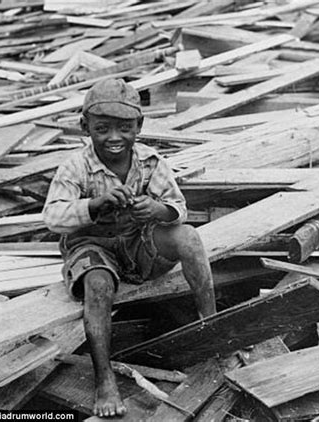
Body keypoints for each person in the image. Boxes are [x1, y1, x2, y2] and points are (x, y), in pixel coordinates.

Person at [43, 78, 216, 418]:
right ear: (85, 126)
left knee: (189, 236)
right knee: (99, 284)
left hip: (137, 245)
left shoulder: (150, 162)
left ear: (139, 126)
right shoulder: (75, 167)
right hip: (92, 246)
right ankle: (104, 378)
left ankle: (212, 328)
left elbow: (177, 206)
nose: (113, 138)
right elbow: (52, 217)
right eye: (102, 128)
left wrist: (158, 211)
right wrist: (94, 205)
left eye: (124, 128)